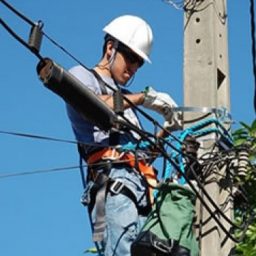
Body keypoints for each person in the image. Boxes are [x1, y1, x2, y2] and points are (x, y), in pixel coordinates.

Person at [66, 15, 179, 256]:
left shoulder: (125, 98)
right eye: (131, 57)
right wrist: (143, 98)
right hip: (114, 184)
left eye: (139, 62)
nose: (134, 67)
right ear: (110, 47)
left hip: (142, 189)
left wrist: (168, 127)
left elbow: (145, 154)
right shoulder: (83, 76)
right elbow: (96, 105)